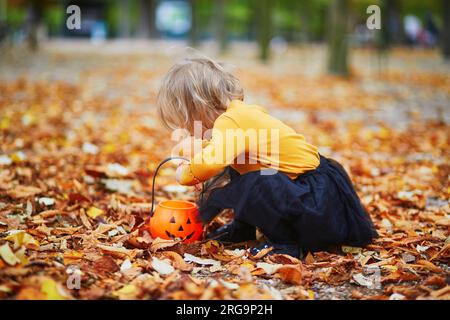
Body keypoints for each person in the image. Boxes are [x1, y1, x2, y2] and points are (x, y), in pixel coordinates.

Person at [156, 57, 378, 258]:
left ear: (197, 107)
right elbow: (222, 150)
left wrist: (186, 174)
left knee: (257, 182)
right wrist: (198, 148)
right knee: (243, 169)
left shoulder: (231, 120)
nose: (186, 128)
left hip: (312, 199)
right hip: (309, 189)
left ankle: (286, 243)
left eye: (184, 121)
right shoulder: (239, 114)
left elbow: (211, 162)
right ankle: (243, 227)